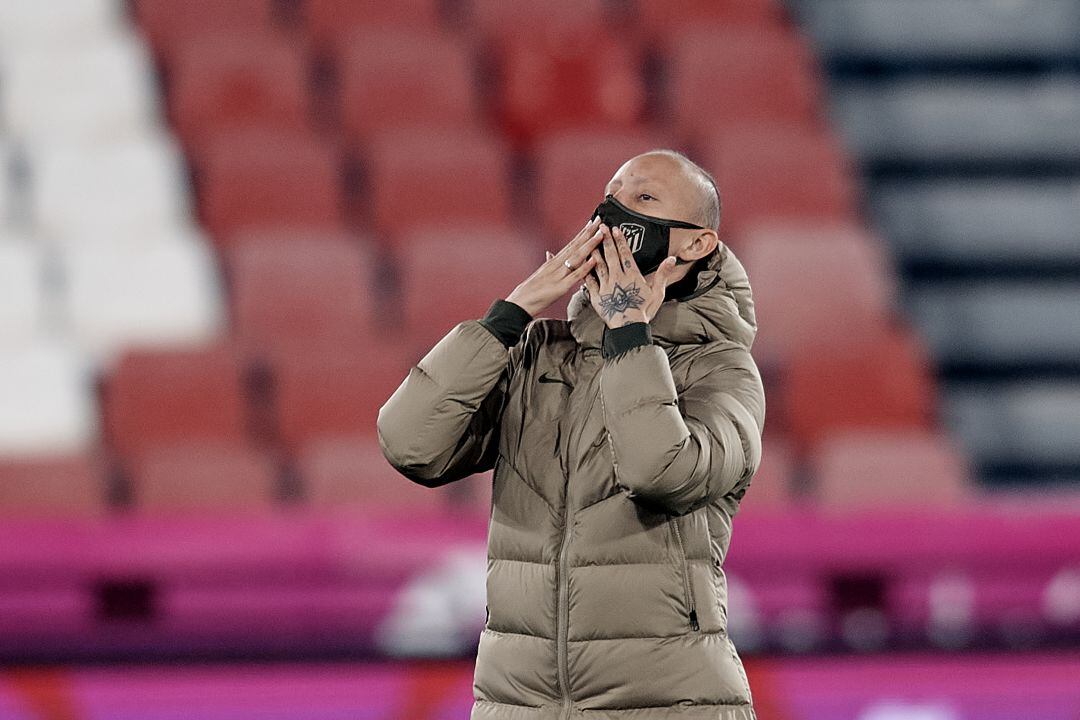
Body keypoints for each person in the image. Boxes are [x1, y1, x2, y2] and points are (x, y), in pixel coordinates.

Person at [377, 149, 765, 720]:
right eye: (610, 195)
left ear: (696, 244)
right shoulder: (540, 355)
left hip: (666, 705)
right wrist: (512, 313)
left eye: (644, 199)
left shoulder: (721, 369)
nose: (614, 211)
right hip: (520, 705)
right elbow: (411, 444)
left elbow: (660, 471)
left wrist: (630, 333)